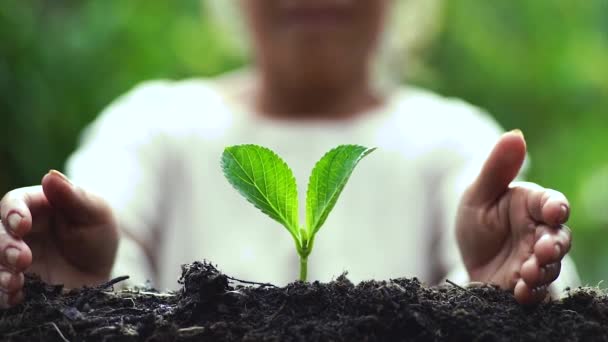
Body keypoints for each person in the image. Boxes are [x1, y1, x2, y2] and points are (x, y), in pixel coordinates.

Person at [0, 0, 578, 309]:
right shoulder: (152, 126)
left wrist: (500, 299)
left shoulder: (453, 138)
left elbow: (543, 280)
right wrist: (82, 289)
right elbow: (106, 221)